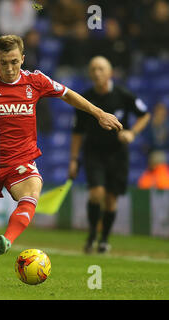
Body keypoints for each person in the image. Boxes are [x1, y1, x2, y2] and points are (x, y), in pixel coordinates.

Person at [0, 35, 123, 264]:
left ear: (22, 59)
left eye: (14, 61)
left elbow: (67, 94)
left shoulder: (35, 81)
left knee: (32, 192)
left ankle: (7, 240)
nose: (9, 68)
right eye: (4, 62)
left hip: (20, 160)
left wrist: (99, 113)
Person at [68, 56, 150, 254]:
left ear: (110, 72)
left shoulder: (123, 95)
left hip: (117, 153)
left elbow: (144, 115)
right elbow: (78, 132)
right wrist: (73, 159)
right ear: (89, 73)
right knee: (96, 193)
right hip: (93, 151)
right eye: (93, 69)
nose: (97, 72)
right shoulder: (85, 100)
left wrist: (132, 133)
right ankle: (91, 235)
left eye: (101, 69)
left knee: (111, 199)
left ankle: (104, 240)